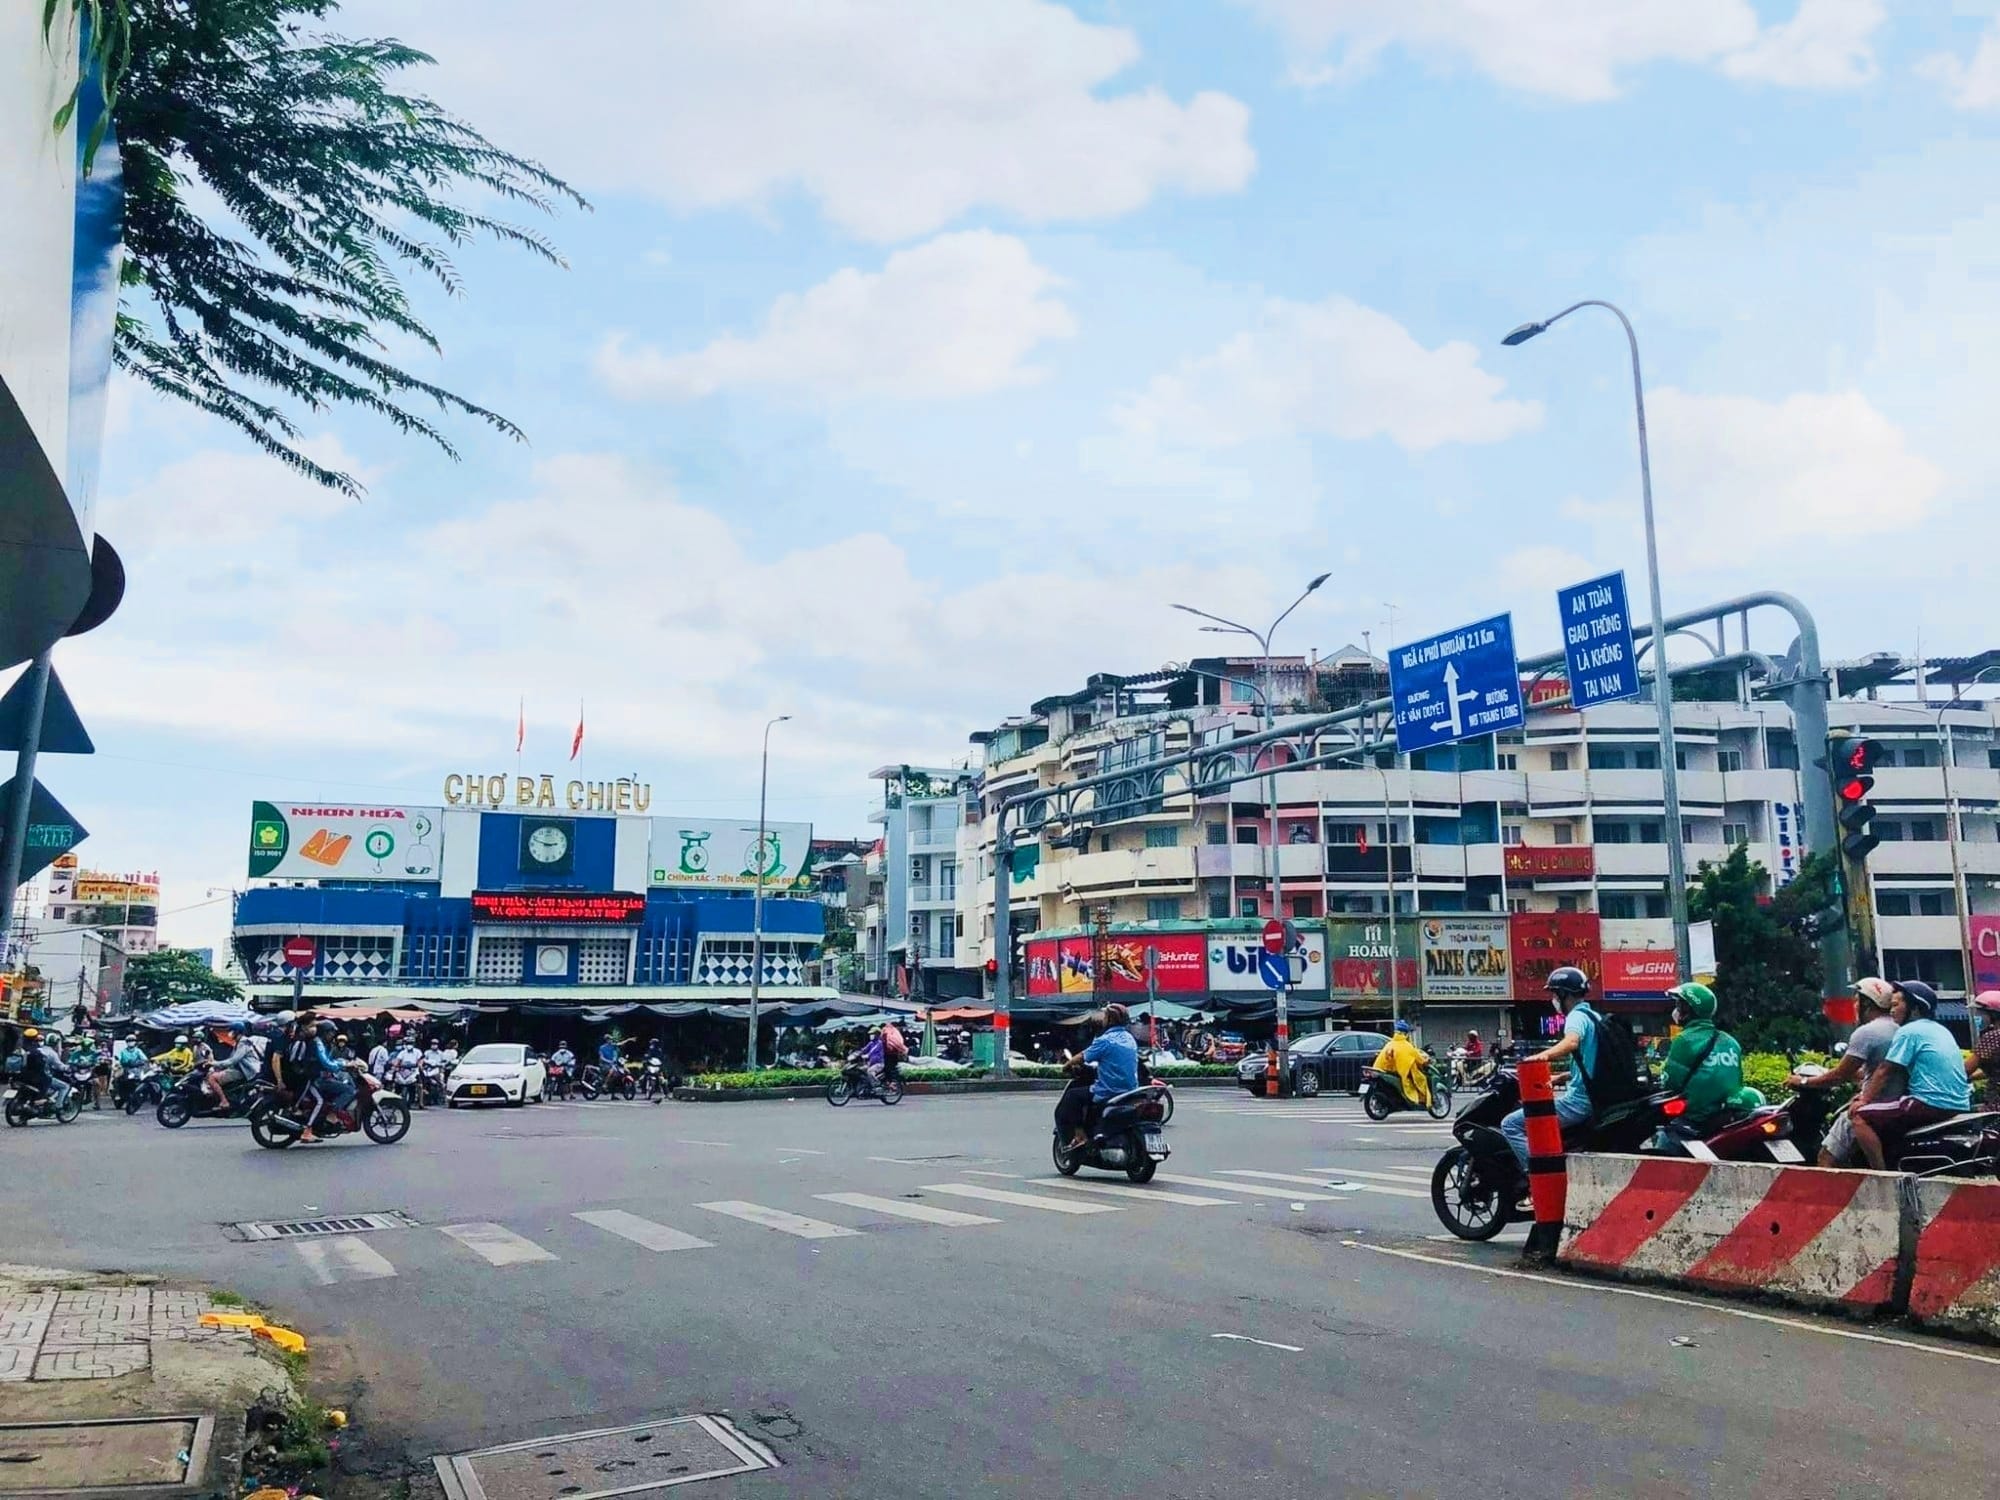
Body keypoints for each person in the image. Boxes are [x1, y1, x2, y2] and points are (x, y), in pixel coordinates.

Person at [1849, 980, 1973, 1171]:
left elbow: (1885, 1070)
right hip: (1960, 1104)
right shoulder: (1940, 1029)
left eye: (1896, 1005)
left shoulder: (1908, 1031)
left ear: (1914, 1009)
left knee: (1859, 1117)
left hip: (1928, 1103)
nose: (1891, 1011)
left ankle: (1882, 1177)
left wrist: (1864, 1099)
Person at [1787, 977, 1902, 1167]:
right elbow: (1870, 1071)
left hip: (1873, 1105)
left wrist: (1802, 1081)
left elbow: (1839, 1076)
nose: (1855, 1006)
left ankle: (1874, 1178)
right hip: (1898, 1103)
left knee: (1826, 1156)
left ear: (1867, 1004)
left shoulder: (1867, 1032)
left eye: (1857, 1000)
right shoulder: (1899, 1029)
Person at [1501, 967, 1602, 1170]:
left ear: (1565, 995)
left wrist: (1544, 1056)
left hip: (1579, 1102)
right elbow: (1591, 1065)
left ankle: (1539, 1175)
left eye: (1555, 994)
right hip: (1595, 1097)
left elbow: (1571, 1041)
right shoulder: (1595, 1017)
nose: (1553, 1000)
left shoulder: (1576, 1016)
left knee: (1510, 1125)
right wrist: (1561, 1077)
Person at [1657, 982, 1745, 1132]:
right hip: (1726, 1116)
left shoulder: (1685, 1040)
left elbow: (1671, 1083)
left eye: (1679, 1005)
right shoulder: (1731, 1042)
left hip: (1694, 1117)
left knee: (1663, 1138)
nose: (1676, 1010)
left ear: (1688, 1009)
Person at [1059, 1003, 1141, 1149]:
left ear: (1109, 1019)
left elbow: (1082, 1057)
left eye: (1105, 1016)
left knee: (1073, 1096)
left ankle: (1079, 1135)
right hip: (1130, 1090)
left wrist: (1066, 1066)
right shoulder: (1130, 1038)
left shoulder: (1105, 1040)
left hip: (1108, 1090)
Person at [299, 1019, 356, 1143]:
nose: (332, 1035)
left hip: (320, 1077)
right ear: (324, 1032)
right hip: (315, 1079)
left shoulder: (325, 1044)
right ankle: (310, 1129)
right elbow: (326, 1063)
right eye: (330, 1033)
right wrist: (343, 1065)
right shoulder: (318, 1043)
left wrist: (343, 1063)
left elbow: (330, 1060)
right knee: (349, 1091)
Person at [1372, 1021, 1433, 1109]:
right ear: (1405, 1034)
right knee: (1421, 1079)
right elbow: (1418, 1058)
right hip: (1397, 1072)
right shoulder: (1406, 1046)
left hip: (1383, 1070)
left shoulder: (1390, 1044)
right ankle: (1421, 1100)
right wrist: (1425, 1061)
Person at [205, 1027, 259, 1112]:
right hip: (241, 1069)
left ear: (237, 1032)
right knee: (215, 1073)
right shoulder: (238, 1043)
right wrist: (218, 1065)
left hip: (244, 1072)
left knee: (212, 1078)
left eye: (232, 1031)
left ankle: (224, 1101)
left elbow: (232, 1061)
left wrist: (214, 1063)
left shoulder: (243, 1043)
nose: (230, 1033)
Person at [1970, 992, 2000, 1109]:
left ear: (1994, 1014)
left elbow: (1968, 1068)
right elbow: (1995, 1069)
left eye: (1981, 1013)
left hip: (1996, 1103)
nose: (1977, 1016)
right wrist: (1971, 1078)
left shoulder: (1993, 1036)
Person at [113, 1034, 148, 1108]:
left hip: (136, 1069)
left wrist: (142, 1062)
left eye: (132, 1041)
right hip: (125, 1068)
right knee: (116, 1078)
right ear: (126, 1042)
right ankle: (117, 1094)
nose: (131, 1042)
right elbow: (118, 1058)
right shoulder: (123, 1051)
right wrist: (118, 1062)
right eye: (129, 1041)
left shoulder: (138, 1051)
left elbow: (144, 1059)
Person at [880, 1017, 908, 1084]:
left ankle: (890, 1082)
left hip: (888, 1053)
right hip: (892, 1053)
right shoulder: (893, 1031)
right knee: (892, 1069)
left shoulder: (887, 1030)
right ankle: (893, 1082)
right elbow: (896, 1042)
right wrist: (903, 1050)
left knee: (889, 1069)